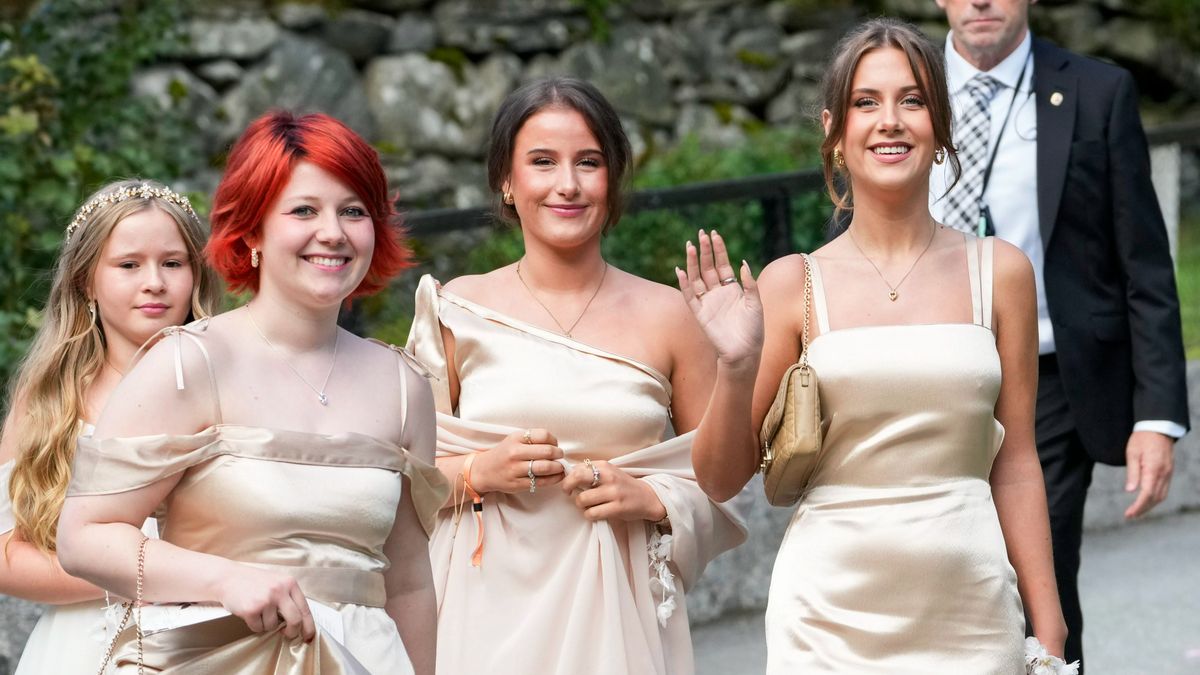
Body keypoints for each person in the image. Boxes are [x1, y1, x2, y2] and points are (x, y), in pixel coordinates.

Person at [683, 18, 1069, 671]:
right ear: (836, 132)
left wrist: (1051, 627)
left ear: (939, 129)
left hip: (971, 615)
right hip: (827, 621)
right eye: (867, 102)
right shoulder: (792, 283)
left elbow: (1017, 461)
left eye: (912, 100)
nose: (889, 120)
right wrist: (736, 364)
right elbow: (720, 479)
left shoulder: (1001, 272)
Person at [56, 111, 448, 674]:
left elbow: (409, 581)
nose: (333, 232)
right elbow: (84, 538)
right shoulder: (188, 363)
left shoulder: (403, 385)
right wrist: (224, 578)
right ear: (253, 230)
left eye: (353, 211)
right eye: (304, 210)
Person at [405, 77, 747, 675]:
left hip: (618, 616)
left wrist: (651, 495)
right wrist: (478, 471)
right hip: (481, 612)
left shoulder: (670, 315)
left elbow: (719, 481)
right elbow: (402, 477)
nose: (567, 184)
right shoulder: (455, 307)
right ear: (507, 182)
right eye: (542, 162)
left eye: (588, 163)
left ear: (612, 179)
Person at [930, 1, 1190, 667]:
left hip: (1044, 378)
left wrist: (1157, 415)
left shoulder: (1096, 91)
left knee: (1032, 569)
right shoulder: (901, 90)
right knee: (939, 575)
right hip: (924, 374)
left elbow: (1145, 262)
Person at [0, 179, 219, 674]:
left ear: (195, 274)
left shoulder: (233, 381)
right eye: (128, 265)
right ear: (85, 281)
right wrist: (133, 571)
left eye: (172, 263)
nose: (154, 282)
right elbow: (5, 555)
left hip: (211, 640)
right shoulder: (51, 399)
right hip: (80, 649)